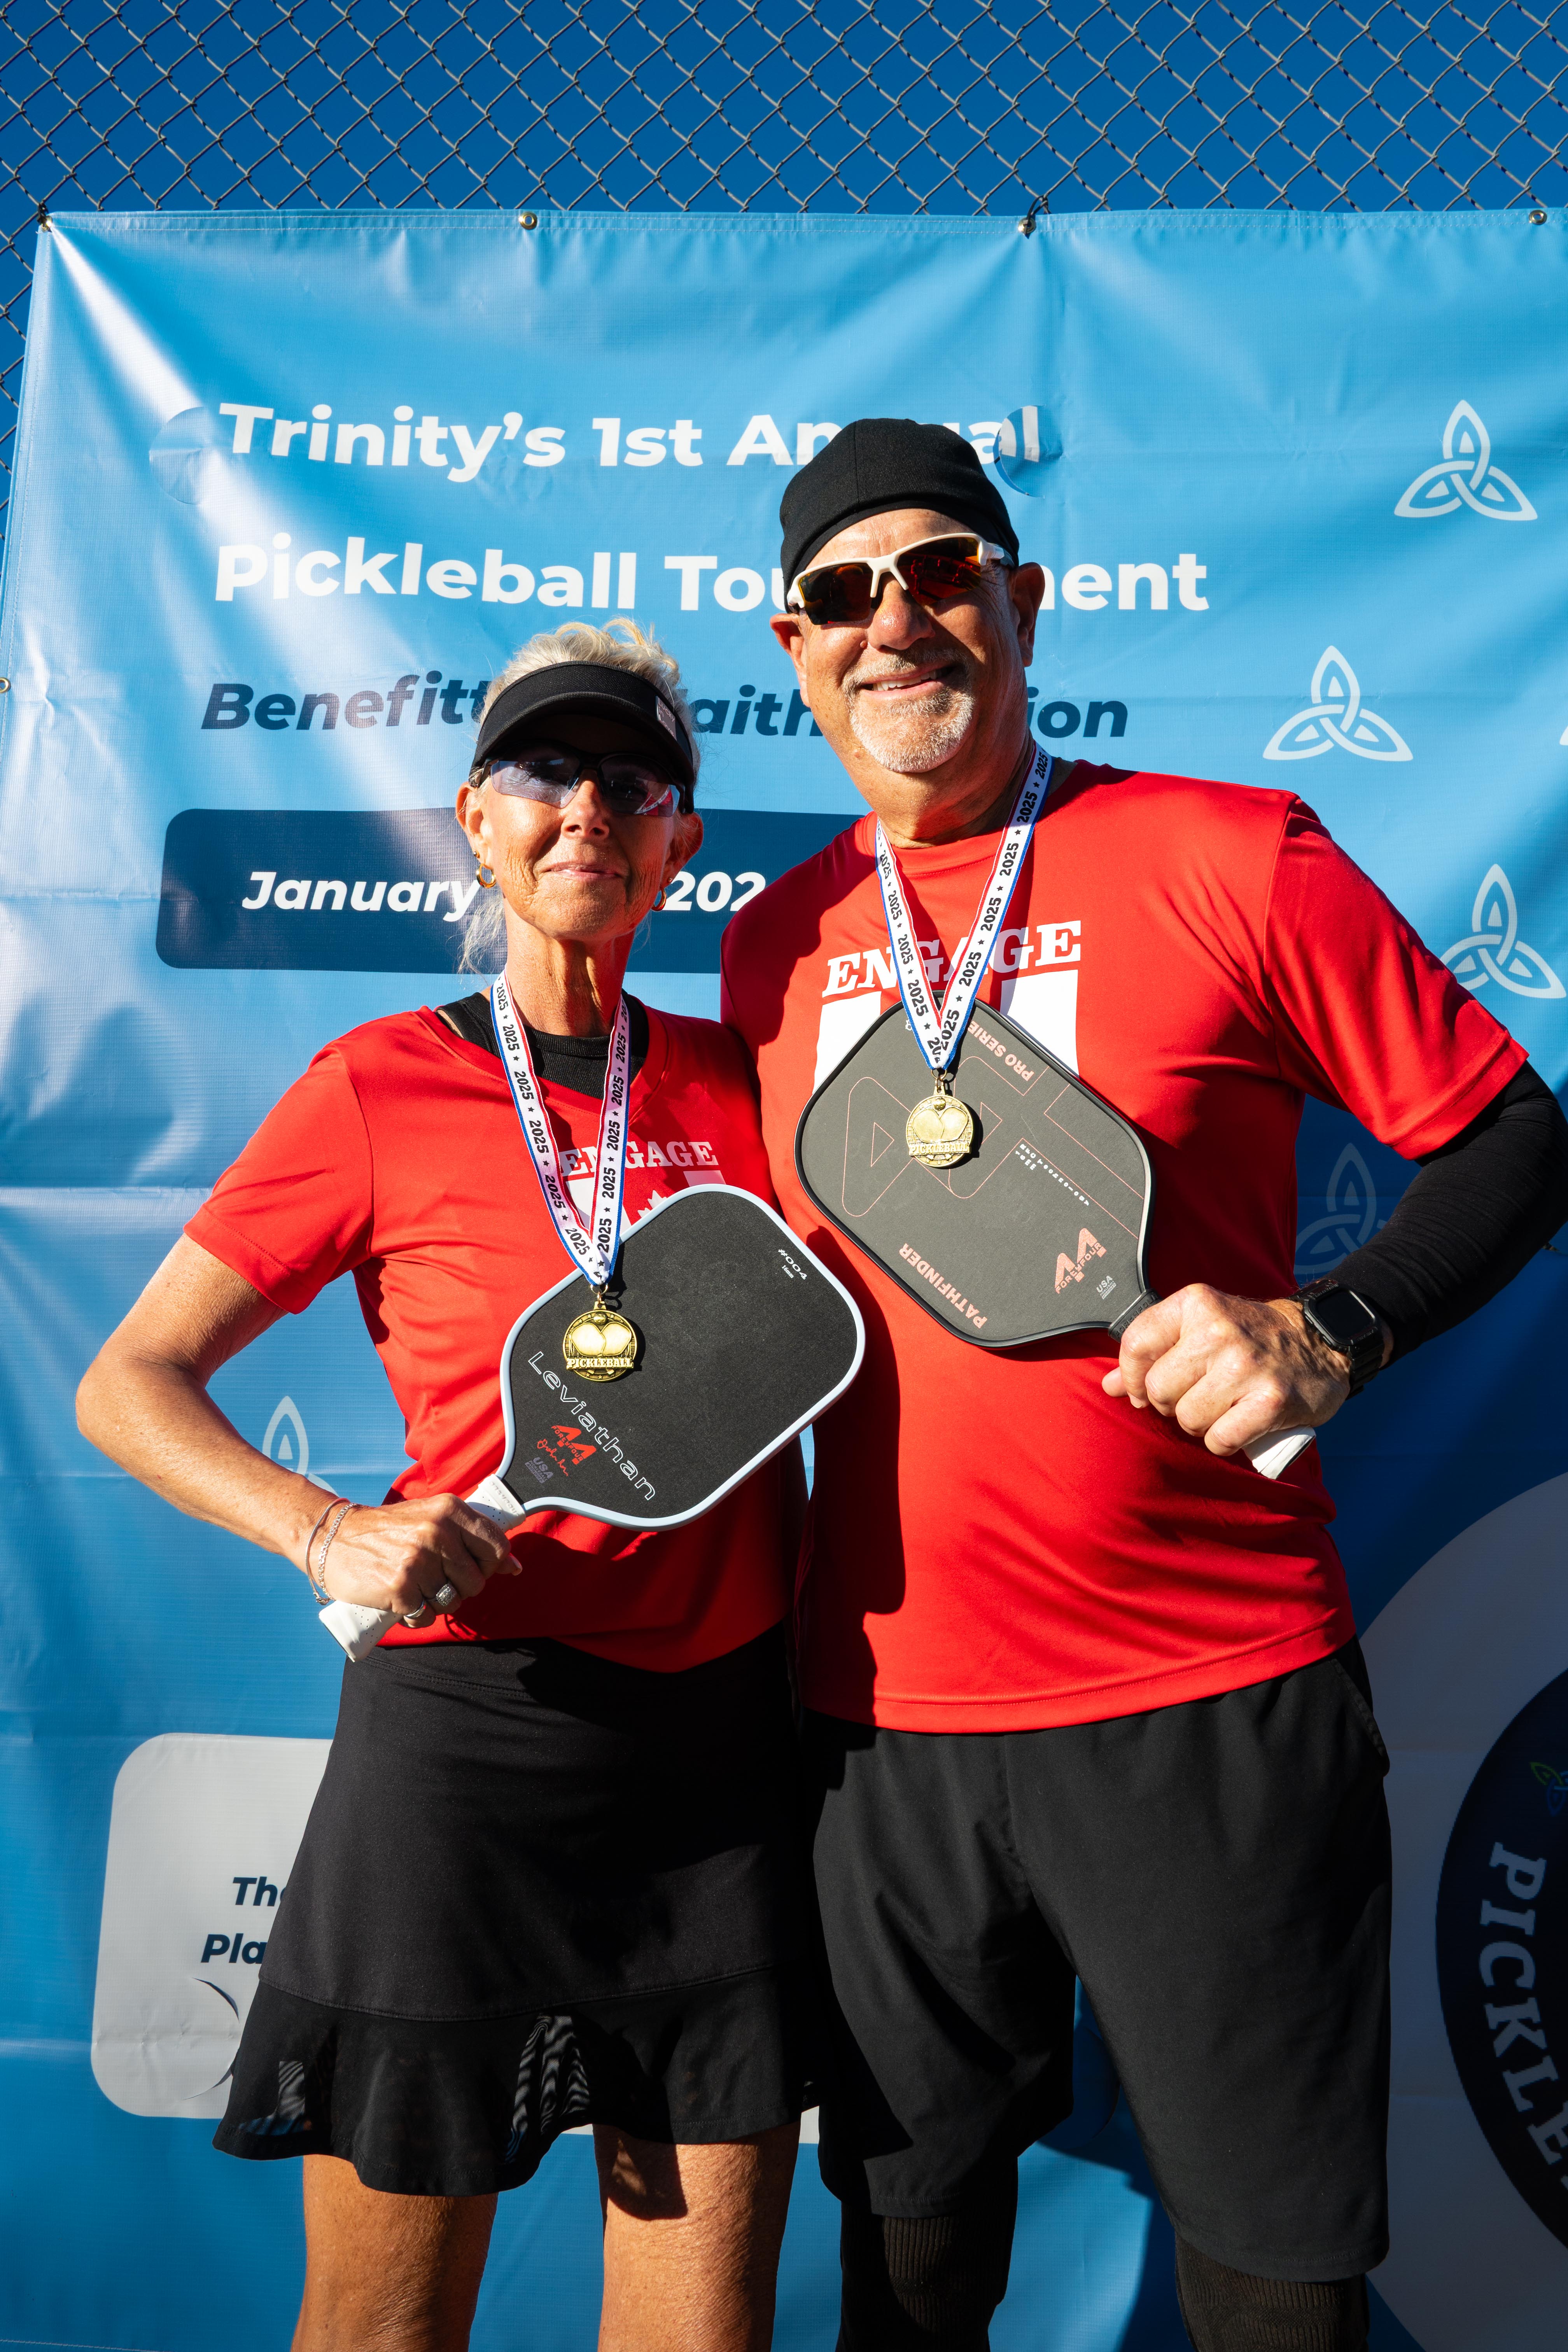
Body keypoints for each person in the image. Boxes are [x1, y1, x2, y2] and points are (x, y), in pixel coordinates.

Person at [720, 419, 1568, 2352]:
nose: (897, 623)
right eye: (845, 595)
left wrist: (1328, 1328)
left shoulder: (1226, 851)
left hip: (1207, 1696)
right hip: (876, 1726)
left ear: (1022, 603)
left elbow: (1519, 1141)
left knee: (1272, 2277)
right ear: (796, 650)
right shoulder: (774, 946)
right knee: (909, 2263)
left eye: (943, 573)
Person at [78, 621, 809, 2352]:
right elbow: (129, 1382)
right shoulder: (376, 1084)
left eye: (633, 783)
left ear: (682, 841)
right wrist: (328, 1529)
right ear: (474, 820)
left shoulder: (753, 1084)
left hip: (721, 1761)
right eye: (545, 777)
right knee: (383, 2331)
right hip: (465, 1756)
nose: (588, 814)